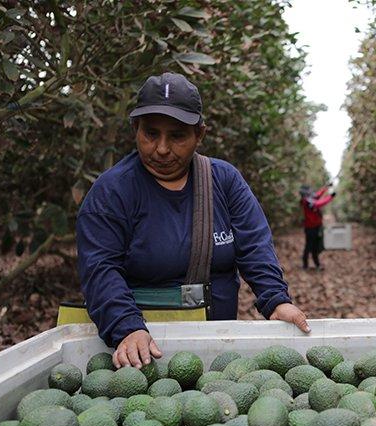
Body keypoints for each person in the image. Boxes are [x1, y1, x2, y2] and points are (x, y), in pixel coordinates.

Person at [76, 72, 310, 369]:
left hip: (214, 346)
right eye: (150, 134)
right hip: (140, 353)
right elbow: (100, 267)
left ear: (199, 135)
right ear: (135, 128)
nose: (161, 148)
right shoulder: (112, 192)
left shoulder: (224, 181)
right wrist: (126, 327)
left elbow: (255, 247)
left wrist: (277, 301)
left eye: (177, 136)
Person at [300, 183, 335, 270]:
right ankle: (305, 265)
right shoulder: (307, 201)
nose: (310, 192)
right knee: (309, 246)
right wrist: (330, 197)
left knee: (315, 246)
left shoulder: (310, 198)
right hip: (310, 228)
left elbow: (317, 195)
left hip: (316, 227)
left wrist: (326, 187)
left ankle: (317, 265)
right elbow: (318, 203)